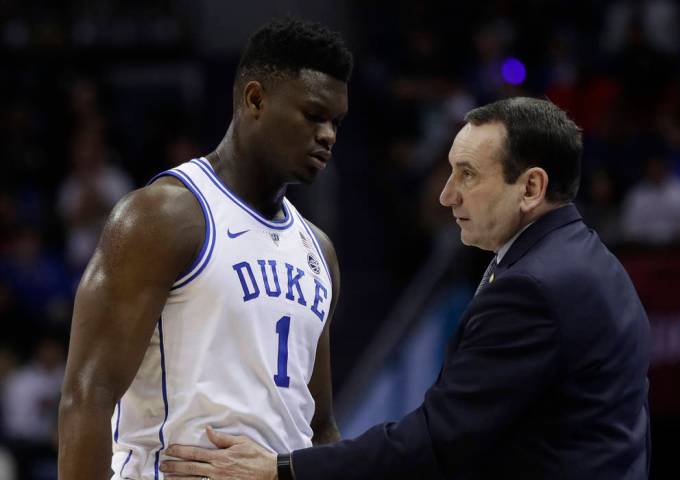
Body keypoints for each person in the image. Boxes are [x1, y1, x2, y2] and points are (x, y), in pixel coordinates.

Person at [160, 97, 651, 479]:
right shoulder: (587, 261)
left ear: (530, 188)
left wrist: (279, 470)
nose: (446, 194)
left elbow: (436, 443)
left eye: (467, 175)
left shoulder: (534, 287)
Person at [58, 17, 352, 479]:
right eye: (313, 115)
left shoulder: (319, 250)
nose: (329, 135)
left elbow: (318, 425)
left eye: (336, 122)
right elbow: (86, 397)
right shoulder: (163, 216)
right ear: (254, 99)